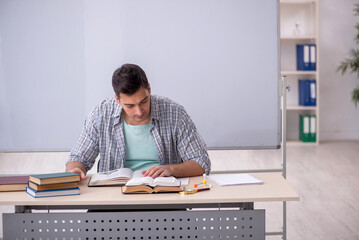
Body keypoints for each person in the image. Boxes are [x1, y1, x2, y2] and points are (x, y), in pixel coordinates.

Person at [66, 63, 211, 180]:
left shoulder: (175, 113)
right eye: (130, 106)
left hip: (164, 195)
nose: (139, 111)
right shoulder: (100, 115)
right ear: (118, 100)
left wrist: (171, 169)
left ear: (149, 89)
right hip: (113, 197)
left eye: (144, 101)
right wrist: (75, 169)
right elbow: (78, 158)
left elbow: (201, 163)